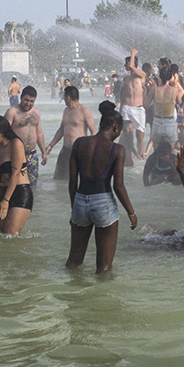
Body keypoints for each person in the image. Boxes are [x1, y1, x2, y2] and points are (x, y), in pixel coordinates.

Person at [66, 101, 138, 273]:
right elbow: (118, 186)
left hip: (80, 201)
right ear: (115, 127)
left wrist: (74, 208)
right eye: (119, 131)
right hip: (103, 204)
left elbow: (72, 181)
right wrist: (131, 213)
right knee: (104, 268)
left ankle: (71, 288)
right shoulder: (118, 150)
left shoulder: (79, 143)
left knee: (73, 262)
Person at [0, 116, 33, 236]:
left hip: (20, 192)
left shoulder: (15, 144)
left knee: (10, 234)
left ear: (1, 132)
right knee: (3, 235)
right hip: (3, 191)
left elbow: (15, 174)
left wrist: (6, 200)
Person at [45, 86, 96, 180]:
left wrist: (91, 150)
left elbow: (93, 131)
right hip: (65, 150)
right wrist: (51, 145)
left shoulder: (84, 110)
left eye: (64, 96)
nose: (63, 99)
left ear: (68, 97)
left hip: (79, 151)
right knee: (59, 178)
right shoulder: (66, 110)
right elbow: (61, 130)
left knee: (77, 179)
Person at [4, 86, 47, 186]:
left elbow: (39, 133)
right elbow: (3, 134)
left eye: (31, 101)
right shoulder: (12, 112)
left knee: (32, 185)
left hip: (32, 155)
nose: (28, 103)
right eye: (26, 100)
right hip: (16, 154)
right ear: (21, 97)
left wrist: (44, 152)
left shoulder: (36, 113)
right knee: (14, 183)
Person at [120, 49, 148, 160]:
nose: (125, 65)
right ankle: (130, 152)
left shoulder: (142, 76)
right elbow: (123, 96)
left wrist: (133, 54)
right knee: (127, 132)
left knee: (139, 134)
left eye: (126, 63)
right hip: (127, 107)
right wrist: (120, 110)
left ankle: (140, 155)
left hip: (138, 108)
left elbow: (132, 67)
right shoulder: (125, 79)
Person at [150, 64, 184, 153]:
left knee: (156, 152)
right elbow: (179, 101)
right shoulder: (174, 90)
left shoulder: (154, 89)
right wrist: (175, 82)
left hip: (157, 121)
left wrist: (146, 90)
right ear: (170, 77)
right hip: (169, 122)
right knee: (171, 151)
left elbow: (145, 104)